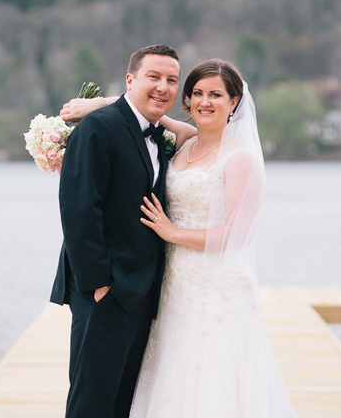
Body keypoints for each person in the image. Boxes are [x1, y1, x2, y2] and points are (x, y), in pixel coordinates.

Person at [64, 59, 297, 417]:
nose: (205, 102)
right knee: (165, 376)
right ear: (187, 99)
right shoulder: (185, 141)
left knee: (210, 379)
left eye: (216, 94)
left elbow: (236, 237)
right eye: (198, 93)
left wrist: (172, 233)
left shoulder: (240, 159)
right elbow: (137, 107)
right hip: (169, 286)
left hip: (213, 287)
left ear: (234, 102)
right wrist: (96, 104)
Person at [51, 44, 181, 418]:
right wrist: (99, 285)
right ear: (130, 80)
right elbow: (78, 209)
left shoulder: (160, 135)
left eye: (171, 80)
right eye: (153, 77)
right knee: (91, 405)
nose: (163, 87)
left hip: (141, 293)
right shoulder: (98, 127)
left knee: (121, 404)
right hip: (105, 291)